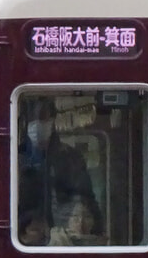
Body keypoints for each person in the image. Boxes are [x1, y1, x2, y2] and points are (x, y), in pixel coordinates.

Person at [18, 97, 103, 245]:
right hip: (25, 240)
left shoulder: (70, 157)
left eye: (43, 117)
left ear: (52, 121)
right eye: (33, 119)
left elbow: (85, 199)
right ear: (25, 122)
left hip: (64, 241)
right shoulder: (13, 159)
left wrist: (95, 230)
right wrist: (24, 227)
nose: (38, 124)